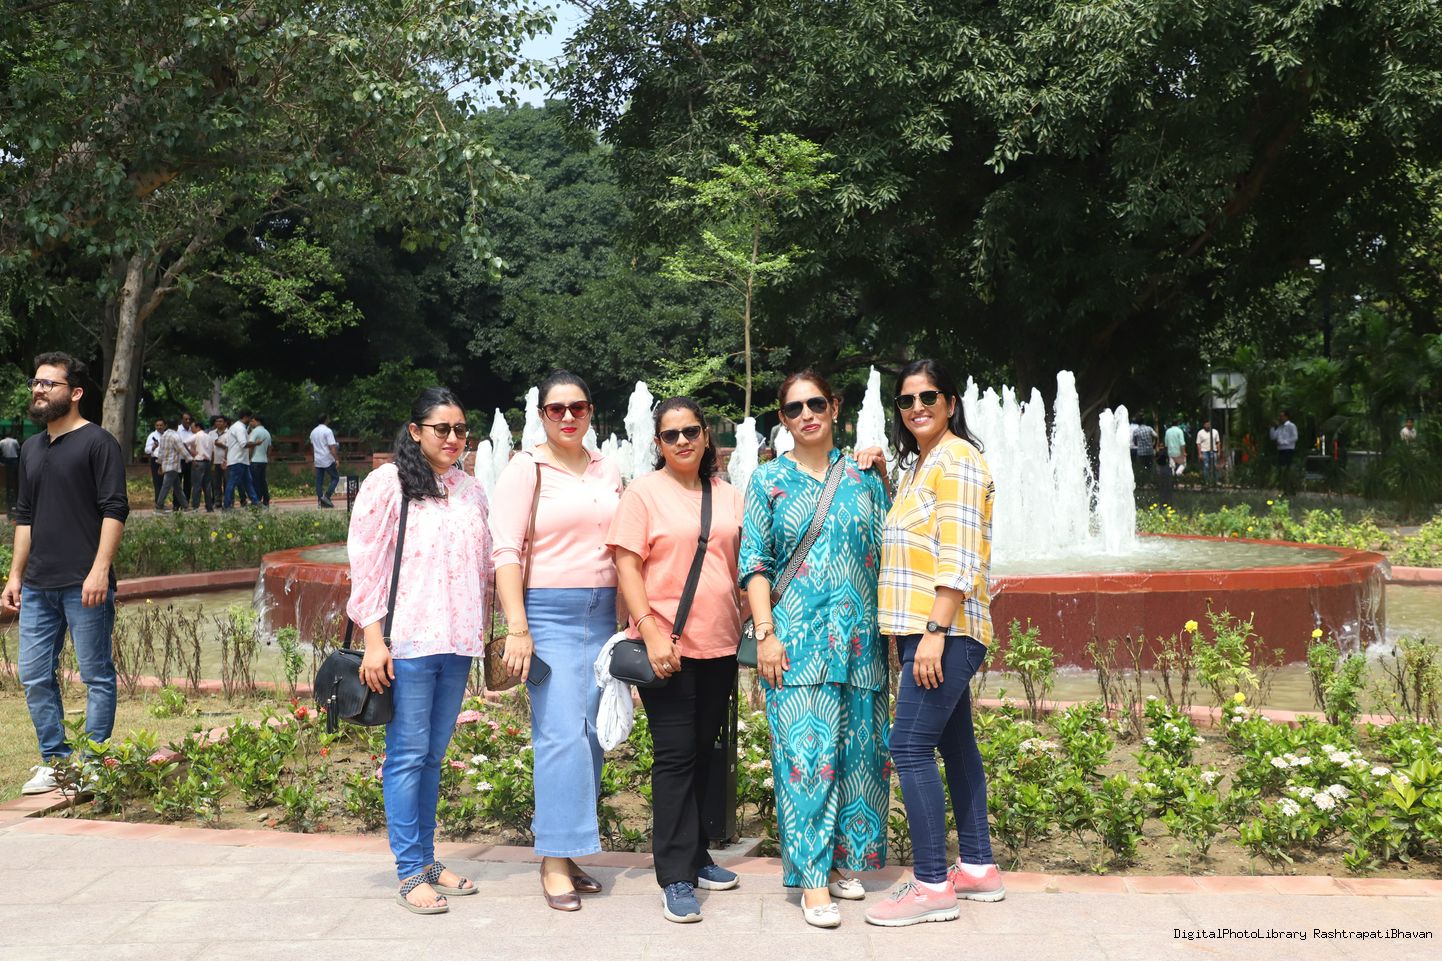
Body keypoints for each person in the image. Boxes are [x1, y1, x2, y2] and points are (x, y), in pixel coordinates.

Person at [739, 371, 892, 929]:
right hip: (796, 644)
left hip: (860, 644)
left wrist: (886, 473)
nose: (806, 414)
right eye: (794, 408)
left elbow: (892, 544)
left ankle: (844, 861)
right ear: (783, 419)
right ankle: (811, 880)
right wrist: (765, 634)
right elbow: (754, 562)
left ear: (835, 408)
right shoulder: (768, 480)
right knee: (805, 762)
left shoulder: (863, 476)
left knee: (858, 761)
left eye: (816, 404)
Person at [865, 359, 1003, 927]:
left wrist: (934, 633)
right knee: (956, 746)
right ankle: (977, 867)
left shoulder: (958, 460)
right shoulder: (924, 463)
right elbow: (915, 538)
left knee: (909, 748)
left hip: (945, 630)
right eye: (906, 400)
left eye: (928, 397)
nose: (917, 407)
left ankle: (930, 886)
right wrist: (883, 478)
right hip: (928, 630)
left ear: (950, 402)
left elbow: (960, 555)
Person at [349, 387, 492, 914]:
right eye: (442, 429)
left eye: (461, 430)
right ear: (415, 431)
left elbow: (484, 565)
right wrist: (373, 639)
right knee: (407, 756)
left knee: (433, 756)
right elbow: (366, 562)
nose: (453, 438)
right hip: (407, 642)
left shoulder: (470, 489)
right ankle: (410, 871)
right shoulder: (388, 484)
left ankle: (428, 860)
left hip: (457, 643)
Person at [607, 396, 745, 924]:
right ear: (658, 443)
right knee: (675, 756)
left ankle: (697, 853)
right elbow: (627, 566)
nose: (683, 441)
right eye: (671, 435)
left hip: (720, 644)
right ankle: (675, 876)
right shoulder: (643, 493)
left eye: (691, 431)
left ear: (706, 435)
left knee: (703, 751)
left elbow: (743, 563)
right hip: (665, 646)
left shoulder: (728, 495)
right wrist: (649, 629)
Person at [490, 370, 622, 912]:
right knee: (560, 735)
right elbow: (505, 551)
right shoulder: (526, 468)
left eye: (578, 407)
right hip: (548, 615)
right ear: (541, 414)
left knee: (591, 736)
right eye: (556, 408)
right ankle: (551, 858)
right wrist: (518, 628)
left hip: (604, 613)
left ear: (591, 412)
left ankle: (569, 852)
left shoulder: (607, 466)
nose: (568, 417)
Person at [1, 352, 129, 795]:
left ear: (74, 393)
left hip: (84, 583)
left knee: (96, 675)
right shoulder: (32, 448)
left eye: (48, 384)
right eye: (35, 383)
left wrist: (99, 571)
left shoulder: (99, 443)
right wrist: (14, 576)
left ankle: (93, 763)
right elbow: (25, 516)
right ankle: (55, 762)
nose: (38, 389)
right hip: (38, 586)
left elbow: (114, 509)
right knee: (34, 675)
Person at [220, 411, 260, 509]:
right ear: (245, 417)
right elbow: (243, 444)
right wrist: (256, 444)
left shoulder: (234, 427)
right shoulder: (240, 428)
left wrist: (226, 459)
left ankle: (255, 503)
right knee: (232, 483)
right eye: (250, 418)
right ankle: (226, 505)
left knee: (248, 482)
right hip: (238, 460)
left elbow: (229, 445)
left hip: (241, 460)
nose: (251, 420)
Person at [153, 419, 191, 511]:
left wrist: (160, 463)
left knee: (177, 488)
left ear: (166, 426)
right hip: (173, 465)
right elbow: (181, 449)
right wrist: (190, 459)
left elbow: (161, 451)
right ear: (177, 426)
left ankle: (185, 506)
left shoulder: (164, 436)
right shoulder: (175, 436)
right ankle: (159, 505)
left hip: (166, 465)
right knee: (166, 486)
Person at [187, 416, 216, 511]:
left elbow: (183, 443)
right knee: (207, 485)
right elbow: (213, 452)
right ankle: (209, 506)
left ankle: (195, 506)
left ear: (198, 427)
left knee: (196, 485)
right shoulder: (209, 437)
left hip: (198, 462)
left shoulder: (197, 435)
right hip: (207, 463)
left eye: (192, 427)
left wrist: (191, 453)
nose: (191, 429)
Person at [311, 414, 341, 507]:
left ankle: (320, 501)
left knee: (319, 481)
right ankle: (327, 497)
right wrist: (336, 459)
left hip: (318, 459)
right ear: (326, 420)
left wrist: (314, 459)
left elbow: (313, 447)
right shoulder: (328, 431)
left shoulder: (313, 432)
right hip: (327, 459)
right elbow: (332, 446)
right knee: (335, 478)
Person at [1269, 410, 1298, 493]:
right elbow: (1273, 437)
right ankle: (1284, 488)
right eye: (1280, 416)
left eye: (1282, 416)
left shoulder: (1291, 426)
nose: (1280, 418)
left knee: (1287, 469)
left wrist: (1284, 442)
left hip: (1288, 449)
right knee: (1281, 469)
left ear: (1286, 417)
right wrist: (1272, 427)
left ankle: (1290, 488)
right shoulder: (1280, 427)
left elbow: (1295, 437)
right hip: (1280, 450)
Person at [248, 413, 273, 507]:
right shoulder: (267, 432)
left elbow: (251, 445)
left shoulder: (255, 431)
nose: (250, 423)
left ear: (258, 421)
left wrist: (249, 458)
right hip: (263, 460)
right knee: (262, 481)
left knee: (255, 482)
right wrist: (267, 457)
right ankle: (266, 500)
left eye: (252, 421)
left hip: (255, 460)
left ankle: (257, 501)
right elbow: (270, 447)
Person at [209, 416, 230, 509]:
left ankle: (228, 501)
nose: (218, 423)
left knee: (227, 482)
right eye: (217, 421)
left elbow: (230, 447)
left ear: (225, 423)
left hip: (226, 462)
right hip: (215, 461)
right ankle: (217, 502)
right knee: (216, 483)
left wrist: (221, 445)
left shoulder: (229, 433)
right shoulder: (211, 433)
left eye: (221, 421)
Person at [176, 412, 197, 505]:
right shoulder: (177, 430)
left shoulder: (193, 430)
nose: (188, 421)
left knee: (188, 483)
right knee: (177, 483)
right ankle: (176, 504)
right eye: (186, 419)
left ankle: (186, 503)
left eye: (189, 419)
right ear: (182, 420)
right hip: (179, 460)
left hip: (190, 461)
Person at [143, 417, 166, 502]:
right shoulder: (152, 435)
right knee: (157, 482)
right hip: (156, 461)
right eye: (157, 425)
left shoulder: (167, 435)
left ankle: (162, 501)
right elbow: (146, 450)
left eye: (161, 425)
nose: (159, 427)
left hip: (166, 461)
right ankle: (158, 502)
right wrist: (153, 447)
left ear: (165, 426)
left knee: (165, 483)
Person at [1, 425, 21, 513]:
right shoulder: (14, 441)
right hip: (14, 459)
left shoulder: (1, 442)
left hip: (6, 459)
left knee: (7, 475)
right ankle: (14, 486)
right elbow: (18, 450)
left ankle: (8, 486)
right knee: (14, 476)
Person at [1196, 419, 1221, 487]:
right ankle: (1206, 481)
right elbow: (1198, 444)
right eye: (1206, 424)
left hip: (1213, 451)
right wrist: (1199, 454)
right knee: (1206, 466)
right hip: (1204, 451)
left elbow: (1218, 442)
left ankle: (1216, 481)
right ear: (1204, 425)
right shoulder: (1200, 432)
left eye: (1208, 423)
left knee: (1215, 466)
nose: (1207, 425)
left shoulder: (1215, 432)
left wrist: (1219, 451)